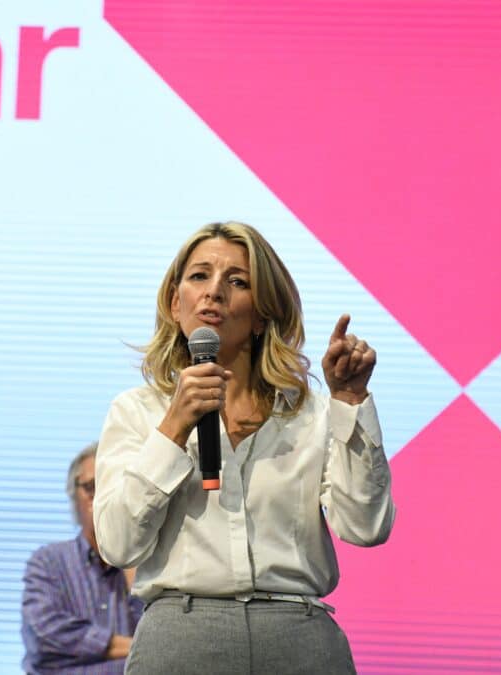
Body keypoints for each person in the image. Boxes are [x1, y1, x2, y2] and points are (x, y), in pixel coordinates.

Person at [93, 221, 395, 674]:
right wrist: (173, 427)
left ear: (260, 315)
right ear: (176, 305)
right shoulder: (136, 411)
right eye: (199, 276)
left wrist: (349, 402)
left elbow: (365, 527)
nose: (214, 292)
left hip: (298, 637)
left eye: (237, 281)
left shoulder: (310, 414)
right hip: (182, 636)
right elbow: (118, 546)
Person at [21, 443, 143, 673]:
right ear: (73, 497)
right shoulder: (48, 563)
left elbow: (162, 650)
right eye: (91, 487)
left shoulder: (150, 565)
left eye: (111, 487)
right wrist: (134, 648)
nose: (100, 499)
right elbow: (43, 639)